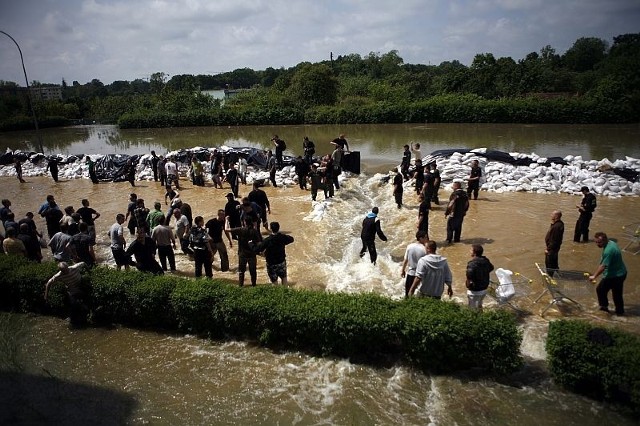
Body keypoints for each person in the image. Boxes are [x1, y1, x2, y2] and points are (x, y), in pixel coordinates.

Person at [589, 232, 627, 316]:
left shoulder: (608, 251)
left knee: (600, 289)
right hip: (622, 273)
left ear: (605, 240)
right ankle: (620, 313)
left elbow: (603, 266)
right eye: (596, 242)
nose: (597, 244)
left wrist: (594, 276)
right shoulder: (611, 243)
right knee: (617, 294)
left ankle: (604, 308)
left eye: (599, 242)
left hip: (614, 276)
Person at [44, 262, 90, 327]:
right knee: (73, 304)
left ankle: (86, 313)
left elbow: (84, 263)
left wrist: (89, 272)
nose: (66, 272)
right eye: (64, 271)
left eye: (66, 269)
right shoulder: (59, 275)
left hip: (81, 286)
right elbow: (49, 282)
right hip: (72, 291)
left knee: (86, 300)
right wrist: (46, 295)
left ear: (68, 267)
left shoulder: (74, 267)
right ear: (61, 270)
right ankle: (73, 319)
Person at [226, 215, 262, 287]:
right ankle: (254, 286)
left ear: (244, 222)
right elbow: (259, 243)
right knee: (253, 272)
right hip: (252, 254)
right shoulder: (254, 231)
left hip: (242, 254)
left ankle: (240, 286)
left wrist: (226, 220)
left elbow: (227, 229)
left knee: (241, 272)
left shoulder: (240, 230)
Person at [465, 244, 494, 310]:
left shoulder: (472, 264)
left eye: (471, 250)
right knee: (479, 306)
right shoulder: (486, 260)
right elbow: (491, 268)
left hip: (474, 291)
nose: (470, 251)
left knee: (472, 309)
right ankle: (481, 317)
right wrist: (483, 273)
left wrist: (468, 285)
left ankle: (475, 319)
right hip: (484, 289)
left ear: (474, 252)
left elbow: (469, 275)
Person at [401, 230, 428, 298]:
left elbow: (405, 260)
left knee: (407, 293)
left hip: (411, 273)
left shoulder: (409, 246)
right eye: (425, 237)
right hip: (421, 275)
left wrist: (402, 270)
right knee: (421, 294)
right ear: (420, 238)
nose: (427, 239)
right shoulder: (425, 249)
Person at [544, 210, 564, 276]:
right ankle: (557, 272)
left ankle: (550, 276)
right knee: (554, 262)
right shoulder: (559, 224)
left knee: (549, 263)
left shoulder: (556, 226)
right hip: (555, 248)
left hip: (552, 248)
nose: (551, 215)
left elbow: (554, 240)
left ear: (556, 216)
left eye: (552, 214)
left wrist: (548, 249)